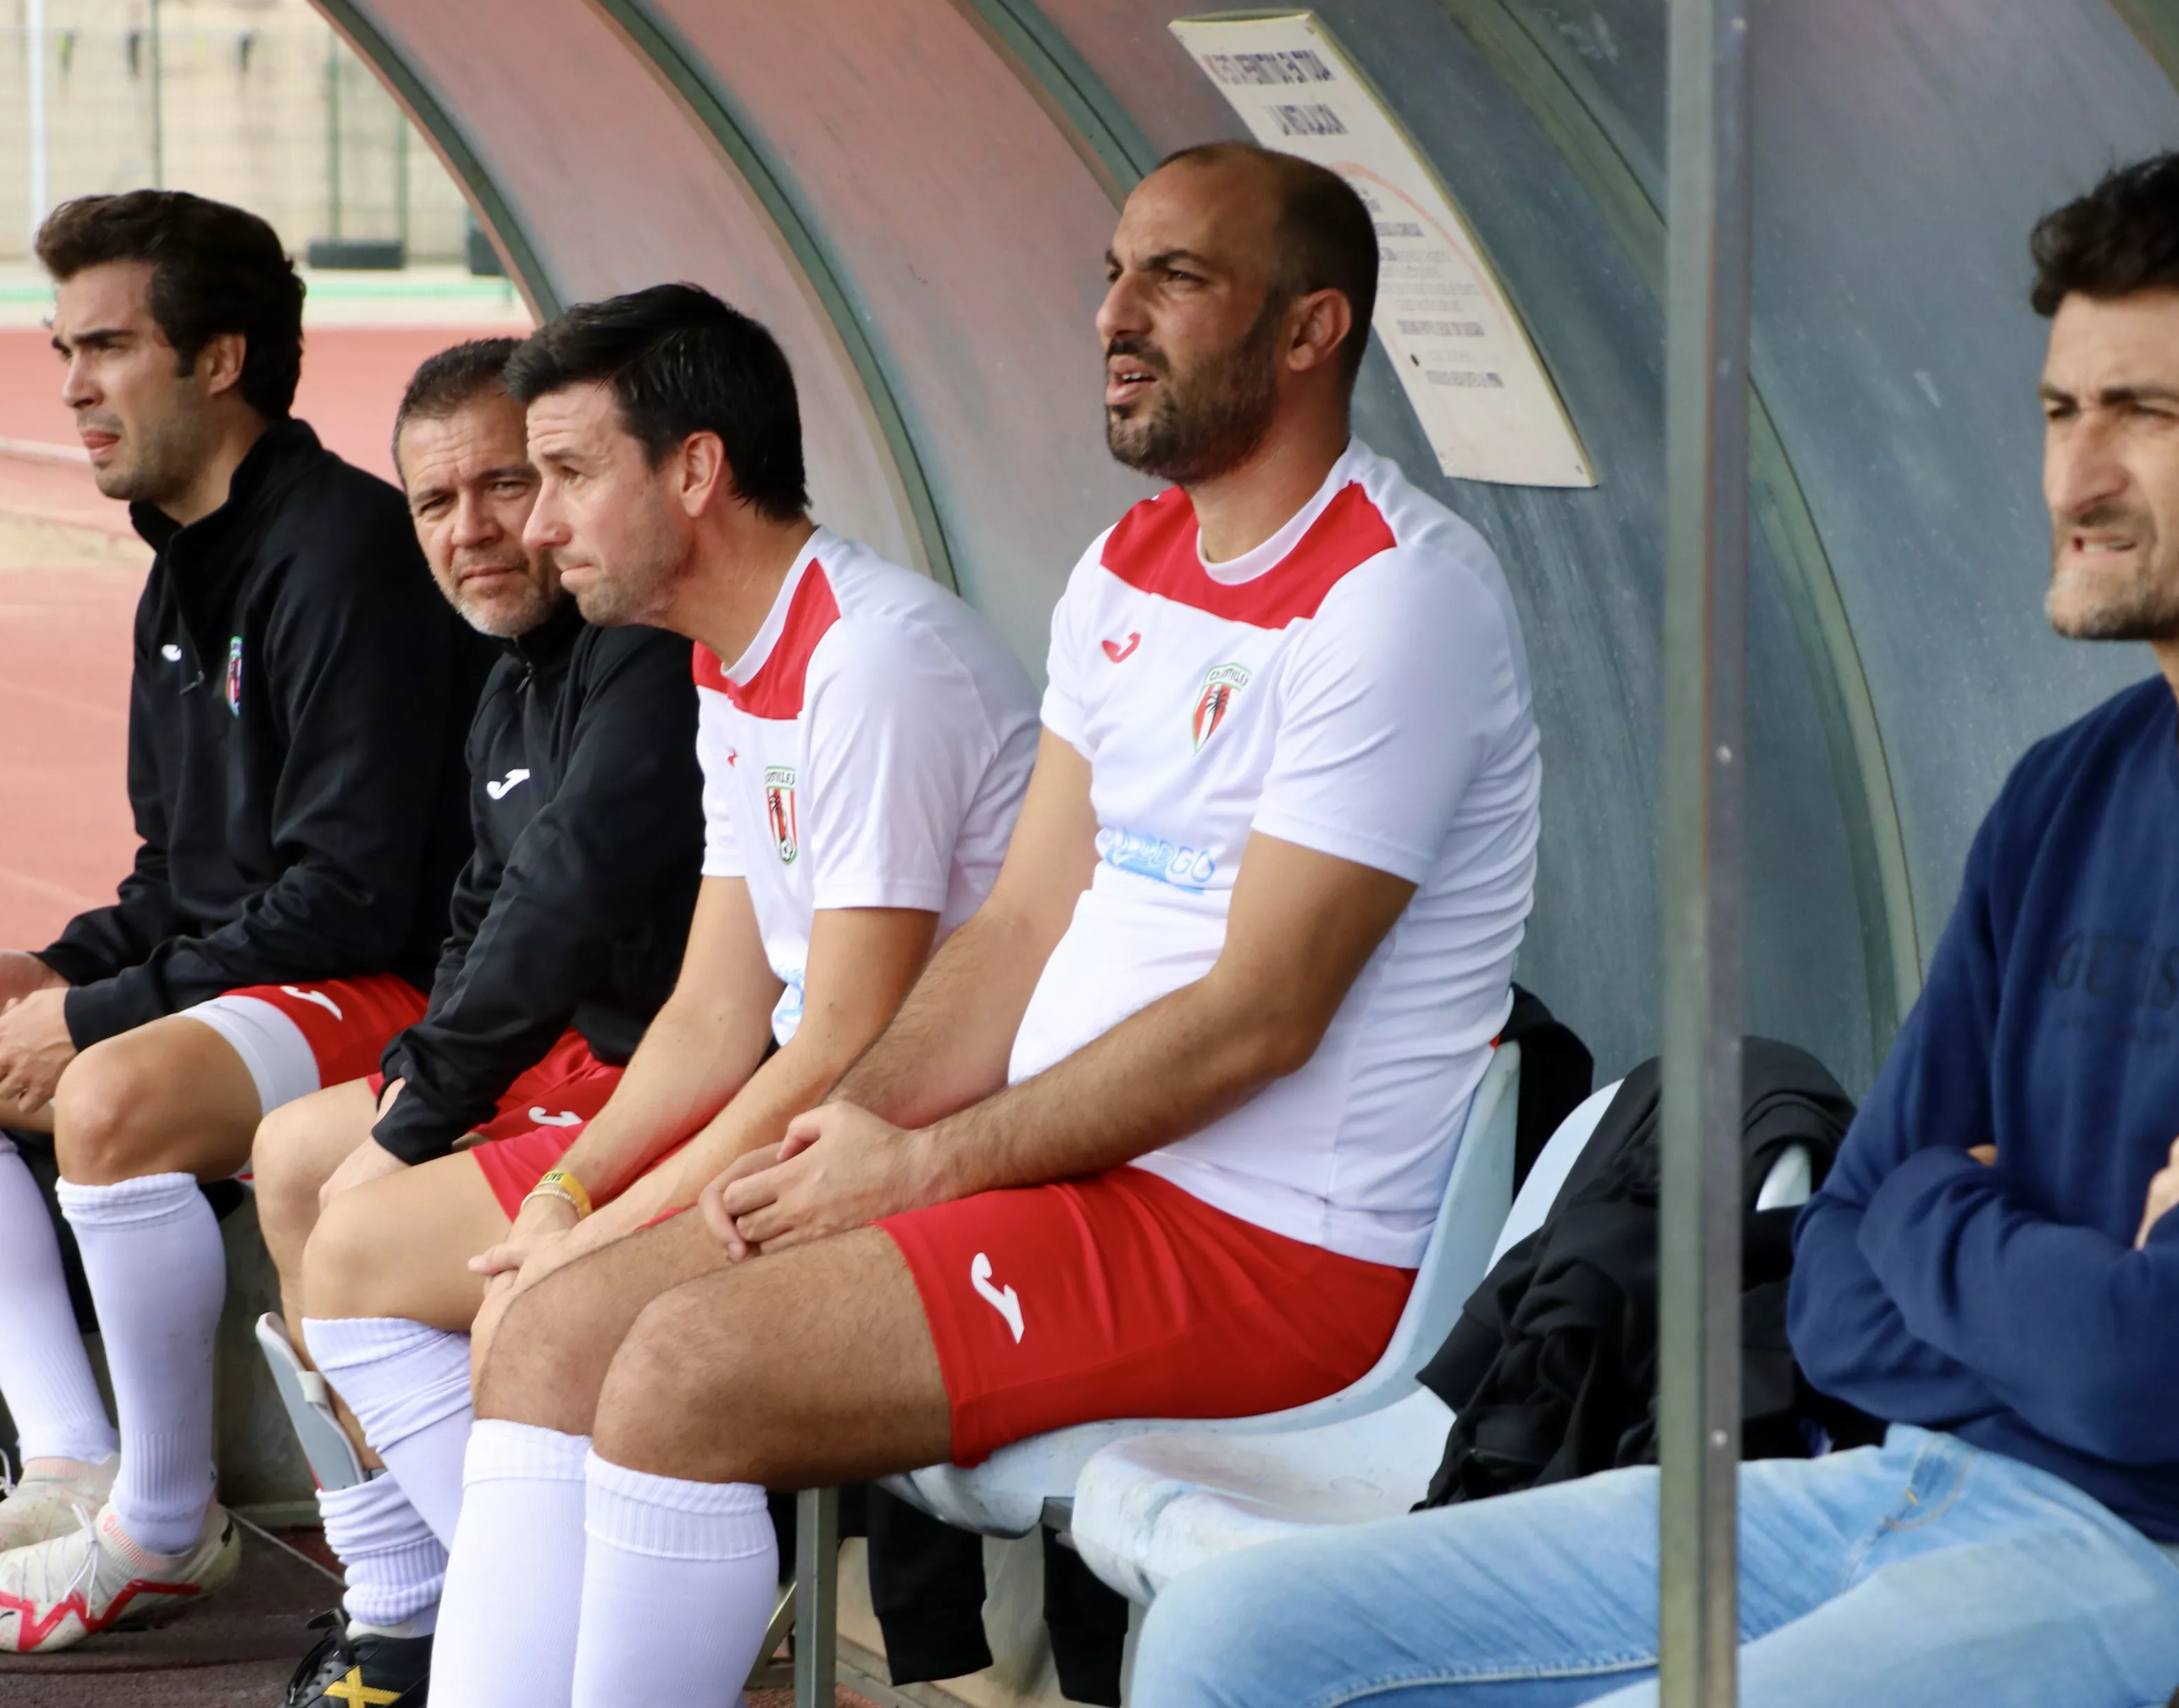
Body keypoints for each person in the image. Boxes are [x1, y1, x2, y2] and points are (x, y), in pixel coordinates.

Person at [429, 142, 1544, 1708]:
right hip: (1078, 1180)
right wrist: (848, 1128)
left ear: (1311, 332)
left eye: (1178, 276)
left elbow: (1259, 1014)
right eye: (1113, 273)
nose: (1114, 315)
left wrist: (929, 1159)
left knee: (682, 1367)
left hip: (1274, 1242)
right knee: (553, 1327)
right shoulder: (1127, 564)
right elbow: (1023, 921)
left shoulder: (1395, 595)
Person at [1131, 147, 2179, 1708]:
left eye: (2146, 416)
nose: (2076, 477)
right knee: (1232, 1639)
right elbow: (1840, 1286)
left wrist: (1943, 1227)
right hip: (1901, 1483)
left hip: (2151, 1561)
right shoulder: (2067, 795)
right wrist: (1992, 1250)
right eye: (2061, 411)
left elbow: (2147, 1365)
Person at [280, 282, 1040, 1706]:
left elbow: (846, 1044)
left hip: (928, 1144)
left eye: (564, 474)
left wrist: (598, 1231)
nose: (538, 523)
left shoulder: (874, 659)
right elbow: (710, 1014)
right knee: (522, 1292)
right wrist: (568, 1205)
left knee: (558, 1320)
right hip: (822, 1126)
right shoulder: (734, 664)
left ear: (693, 471)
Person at [0, 190, 494, 1649]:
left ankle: (163, 1517)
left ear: (220, 358)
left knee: (116, 1091)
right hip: (272, 970)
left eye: (109, 345)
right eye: (62, 348)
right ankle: (73, 1466)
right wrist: (66, 964)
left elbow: (349, 893)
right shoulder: (179, 564)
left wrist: (100, 1012)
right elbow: (176, 877)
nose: (76, 384)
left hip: (395, 983)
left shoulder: (345, 553)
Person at [241, 335, 706, 1702]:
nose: (476, 530)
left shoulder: (641, 655)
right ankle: (404, 1592)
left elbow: (570, 893)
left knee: (361, 1232)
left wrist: (425, 1108)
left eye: (508, 483)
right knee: (291, 1155)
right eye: (436, 504)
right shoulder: (513, 676)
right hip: (567, 1051)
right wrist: (417, 1077)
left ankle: (529, 1622)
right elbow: (480, 908)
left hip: (668, 1071)